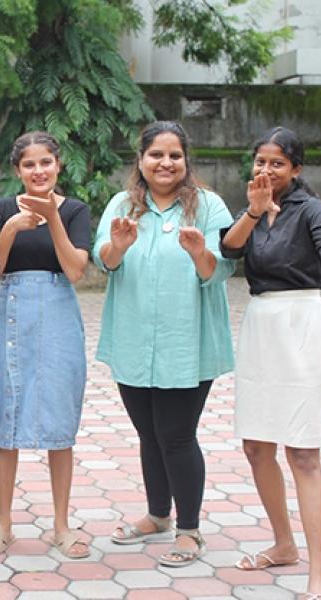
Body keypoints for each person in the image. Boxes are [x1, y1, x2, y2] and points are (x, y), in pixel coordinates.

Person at [94, 121, 235, 567]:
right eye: (156, 154)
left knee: (176, 435)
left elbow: (222, 269)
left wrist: (199, 253)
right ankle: (157, 515)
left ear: (186, 161)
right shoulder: (123, 205)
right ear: (141, 160)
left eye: (175, 155)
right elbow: (105, 261)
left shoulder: (208, 206)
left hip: (187, 343)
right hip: (134, 338)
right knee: (147, 434)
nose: (166, 163)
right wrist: (116, 247)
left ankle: (189, 531)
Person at [221, 127, 321, 600]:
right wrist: (255, 211)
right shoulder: (254, 204)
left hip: (301, 322)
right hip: (261, 324)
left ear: (296, 169)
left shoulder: (310, 208)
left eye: (277, 163)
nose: (266, 170)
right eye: (260, 161)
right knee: (256, 447)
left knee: (302, 452)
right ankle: (283, 543)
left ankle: (319, 572)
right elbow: (229, 249)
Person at [0, 131, 91, 559]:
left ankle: (61, 525)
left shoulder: (76, 210)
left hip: (60, 313)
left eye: (46, 162)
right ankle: (3, 523)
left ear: (58, 165)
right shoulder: (2, 210)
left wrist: (52, 219)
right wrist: (9, 228)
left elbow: (76, 269)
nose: (38, 171)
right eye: (29, 164)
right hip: (11, 313)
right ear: (17, 170)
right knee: (6, 420)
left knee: (61, 422)